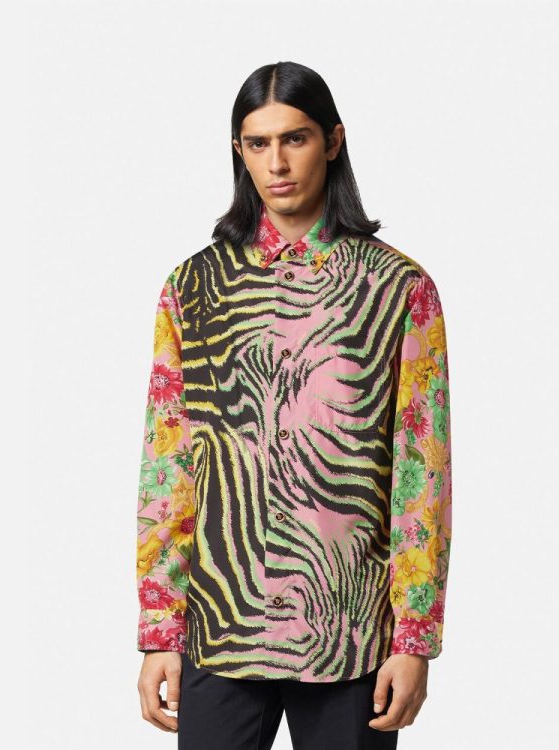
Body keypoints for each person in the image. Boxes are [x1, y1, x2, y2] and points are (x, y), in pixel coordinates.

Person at [135, 61, 452, 749]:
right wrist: (160, 629)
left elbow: (420, 474)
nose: (276, 163)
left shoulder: (398, 289)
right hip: (222, 627)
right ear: (239, 152)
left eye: (295, 139)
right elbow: (169, 466)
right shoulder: (193, 288)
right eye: (257, 143)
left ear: (333, 141)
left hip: (349, 632)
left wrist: (414, 638)